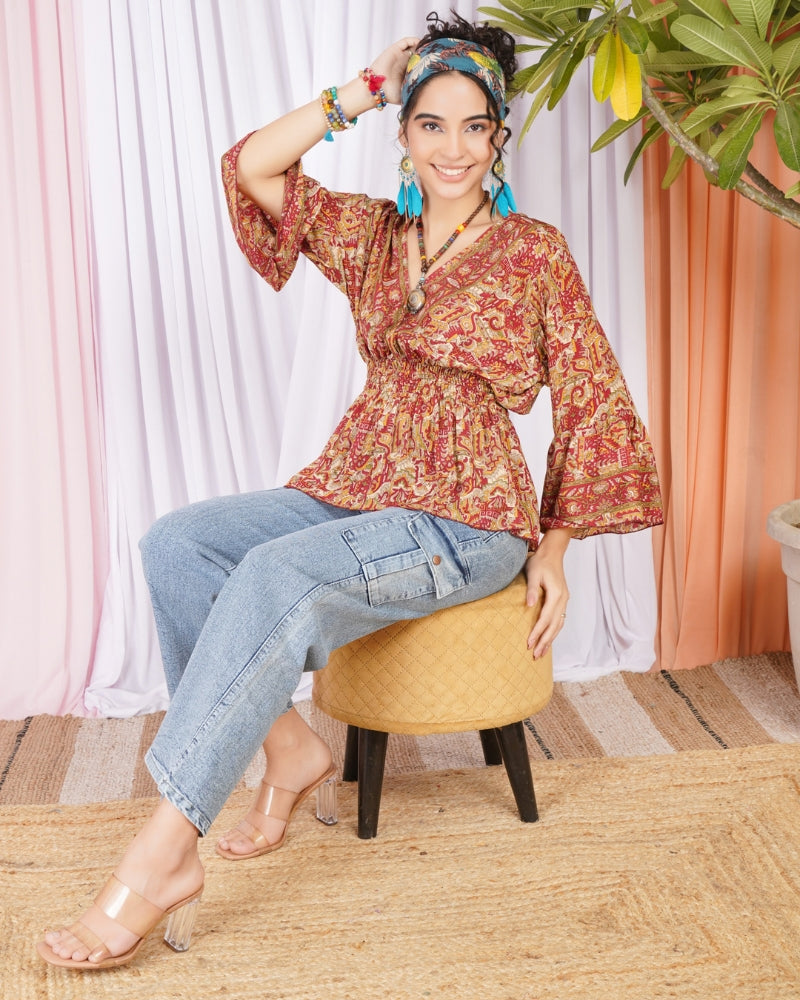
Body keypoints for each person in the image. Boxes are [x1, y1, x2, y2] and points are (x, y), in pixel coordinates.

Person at [38, 12, 662, 969]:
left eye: (474, 127)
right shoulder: (375, 235)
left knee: (274, 577)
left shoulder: (534, 251)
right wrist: (364, 88)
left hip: (465, 518)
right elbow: (251, 166)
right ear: (403, 132)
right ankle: (290, 748)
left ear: (498, 136)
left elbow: (595, 396)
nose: (453, 148)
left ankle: (164, 854)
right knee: (177, 545)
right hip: (357, 479)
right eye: (430, 124)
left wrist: (555, 547)